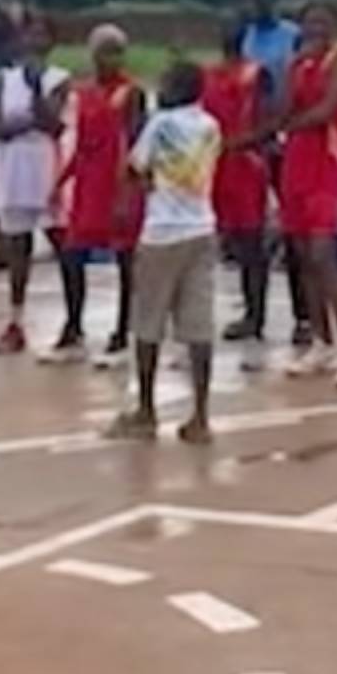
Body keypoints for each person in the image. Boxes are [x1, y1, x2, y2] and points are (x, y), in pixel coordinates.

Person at [114, 59, 227, 445]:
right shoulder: (211, 126)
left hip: (161, 232)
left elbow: (134, 168)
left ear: (175, 88)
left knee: (148, 322)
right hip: (201, 227)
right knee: (198, 326)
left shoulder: (160, 123)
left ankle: (146, 410)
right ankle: (201, 416)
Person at [273, 0, 337, 386]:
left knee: (324, 255)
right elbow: (283, 106)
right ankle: (321, 341)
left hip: (325, 165)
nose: (315, 28)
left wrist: (290, 122)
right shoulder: (299, 62)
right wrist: (288, 114)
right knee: (303, 257)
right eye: (309, 22)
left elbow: (326, 110)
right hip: (297, 162)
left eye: (323, 22)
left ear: (336, 24)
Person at [51, 25, 146, 366]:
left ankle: (123, 333)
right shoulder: (84, 93)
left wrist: (128, 192)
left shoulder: (131, 93)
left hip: (117, 183)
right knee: (72, 254)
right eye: (105, 50)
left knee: (124, 260)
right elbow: (81, 144)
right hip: (89, 183)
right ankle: (73, 326)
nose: (111, 58)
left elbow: (135, 145)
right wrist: (60, 181)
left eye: (117, 50)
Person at [0, 15, 65, 357]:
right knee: (17, 250)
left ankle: (73, 321)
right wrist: (25, 123)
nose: (34, 40)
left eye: (42, 33)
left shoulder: (59, 79)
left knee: (64, 247)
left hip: (47, 173)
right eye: (29, 33)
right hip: (13, 172)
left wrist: (35, 96)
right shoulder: (5, 80)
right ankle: (16, 321)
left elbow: (53, 124)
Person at [201, 41, 280, 359]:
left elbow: (269, 121)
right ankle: (206, 315)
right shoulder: (208, 74)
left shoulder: (257, 74)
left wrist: (241, 142)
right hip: (214, 162)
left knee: (250, 242)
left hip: (246, 162)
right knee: (221, 241)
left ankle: (255, 315)